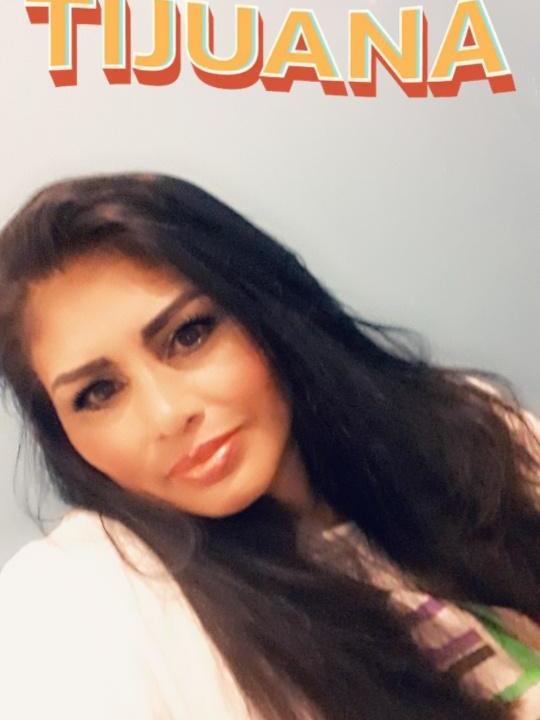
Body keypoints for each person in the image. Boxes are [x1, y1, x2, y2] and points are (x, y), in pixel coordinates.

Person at [0, 172, 538, 720]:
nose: (167, 414)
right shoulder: (85, 603)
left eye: (188, 335)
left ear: (265, 307)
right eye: (98, 393)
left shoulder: (467, 438)